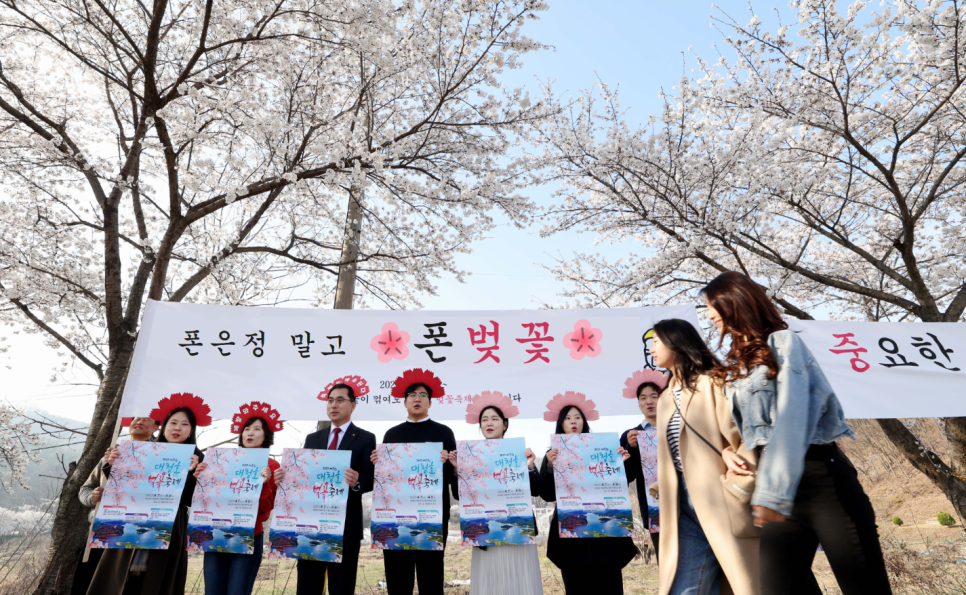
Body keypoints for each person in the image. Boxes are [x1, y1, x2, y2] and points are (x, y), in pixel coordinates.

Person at [703, 271, 891, 595]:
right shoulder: (738, 365)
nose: (708, 315)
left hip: (822, 483)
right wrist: (727, 451)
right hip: (777, 492)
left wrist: (772, 491)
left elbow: (794, 415)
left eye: (712, 306)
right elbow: (743, 428)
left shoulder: (784, 343)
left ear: (734, 303)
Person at [650, 319, 760, 595]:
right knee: (684, 587)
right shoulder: (664, 399)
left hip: (718, 496)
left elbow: (745, 435)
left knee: (743, 580)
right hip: (681, 505)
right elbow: (675, 455)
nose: (651, 348)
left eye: (656, 341)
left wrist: (736, 480)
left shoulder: (712, 382)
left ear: (675, 343)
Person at [87, 393, 208, 595]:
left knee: (154, 580)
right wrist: (112, 465)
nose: (177, 428)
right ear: (164, 427)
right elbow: (123, 485)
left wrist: (189, 474)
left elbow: (191, 500)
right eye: (173, 422)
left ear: (191, 430)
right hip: (129, 520)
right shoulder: (142, 451)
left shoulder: (198, 459)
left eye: (184, 424)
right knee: (119, 581)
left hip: (169, 526)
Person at [369, 368, 457, 595]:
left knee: (431, 577)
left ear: (430, 401)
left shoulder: (444, 432)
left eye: (423, 395)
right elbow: (387, 480)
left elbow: (451, 478)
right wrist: (377, 464)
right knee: (398, 578)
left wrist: (448, 463)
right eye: (412, 395)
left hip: (432, 515)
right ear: (405, 402)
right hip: (396, 515)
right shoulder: (392, 435)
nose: (417, 399)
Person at [538, 391, 636, 594]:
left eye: (577, 417)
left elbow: (622, 484)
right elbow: (547, 494)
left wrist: (623, 463)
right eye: (567, 418)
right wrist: (549, 466)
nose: (573, 422)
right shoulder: (553, 454)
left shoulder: (604, 449)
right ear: (560, 423)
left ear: (584, 421)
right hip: (571, 540)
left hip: (606, 536)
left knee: (610, 587)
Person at [450, 391, 543, 595]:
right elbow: (459, 495)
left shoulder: (519, 453)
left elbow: (536, 490)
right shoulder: (471, 456)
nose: (489, 423)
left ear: (505, 424)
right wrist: (458, 469)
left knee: (521, 581)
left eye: (494, 418)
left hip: (518, 531)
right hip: (485, 533)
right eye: (484, 420)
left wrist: (529, 466)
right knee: (490, 583)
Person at [295, 377, 376, 595]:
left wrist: (357, 481)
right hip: (312, 522)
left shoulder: (366, 438)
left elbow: (371, 478)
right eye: (330, 400)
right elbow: (305, 477)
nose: (333, 405)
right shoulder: (313, 438)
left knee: (342, 586)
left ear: (353, 405)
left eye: (340, 400)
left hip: (346, 525)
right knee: (307, 584)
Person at [197, 400, 284, 595]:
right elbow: (207, 499)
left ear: (266, 435)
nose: (250, 433)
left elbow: (265, 510)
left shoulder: (271, 465)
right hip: (216, 532)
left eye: (256, 429)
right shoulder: (222, 460)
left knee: (238, 590)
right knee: (213, 590)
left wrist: (266, 484)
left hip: (250, 534)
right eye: (246, 429)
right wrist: (201, 476)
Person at [74, 417, 159, 595]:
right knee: (91, 584)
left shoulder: (162, 457)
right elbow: (85, 489)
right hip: (101, 530)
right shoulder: (112, 454)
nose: (139, 422)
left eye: (146, 419)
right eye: (136, 418)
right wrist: (92, 496)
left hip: (139, 534)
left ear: (156, 427)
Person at [619, 369, 668, 561]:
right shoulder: (631, 435)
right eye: (643, 398)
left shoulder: (677, 426)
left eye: (654, 396)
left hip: (686, 503)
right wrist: (631, 449)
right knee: (666, 563)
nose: (649, 401)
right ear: (638, 403)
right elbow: (627, 476)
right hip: (655, 508)